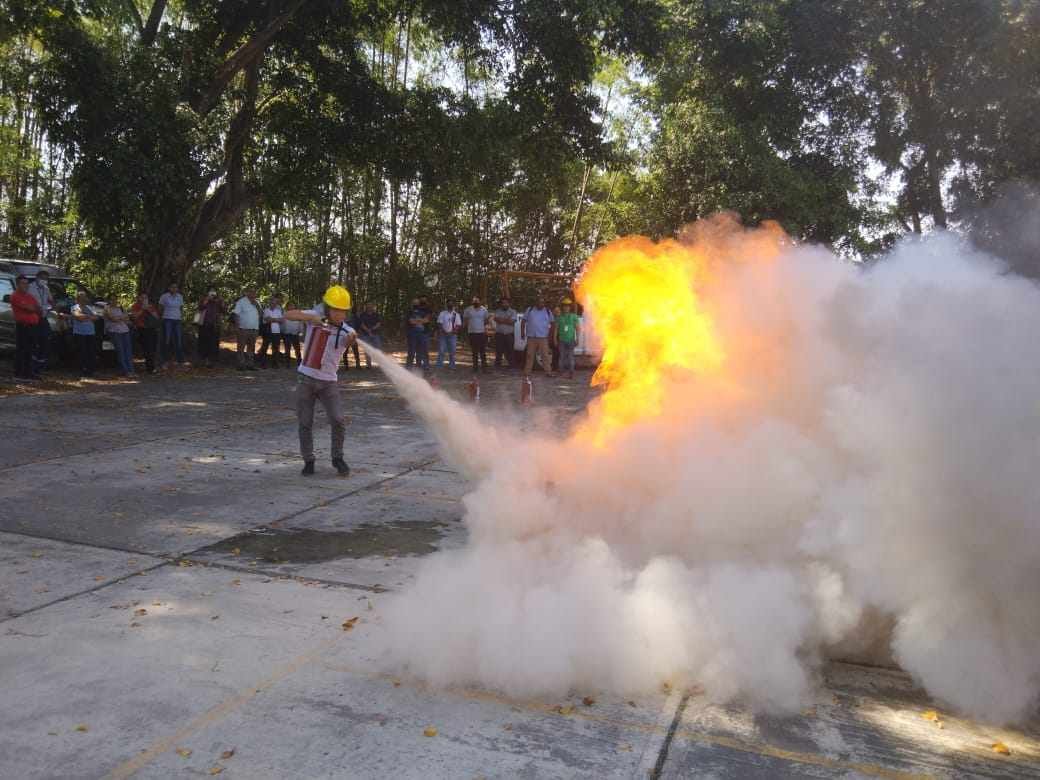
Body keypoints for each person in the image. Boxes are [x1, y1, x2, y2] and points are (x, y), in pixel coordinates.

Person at [285, 285, 357, 477]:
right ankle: (308, 461)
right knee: (305, 422)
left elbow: (347, 343)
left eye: (343, 310)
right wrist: (311, 318)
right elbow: (288, 315)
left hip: (328, 382)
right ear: (327, 308)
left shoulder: (347, 331)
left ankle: (337, 458)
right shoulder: (315, 318)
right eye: (335, 309)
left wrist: (351, 340)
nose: (339, 314)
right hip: (305, 379)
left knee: (338, 420)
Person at [11, 274, 42, 381]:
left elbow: (38, 308)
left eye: (26, 283)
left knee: (31, 350)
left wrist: (34, 308)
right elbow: (29, 308)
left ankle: (29, 372)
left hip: (33, 326)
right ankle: (18, 373)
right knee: (21, 350)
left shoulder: (30, 296)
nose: (25, 285)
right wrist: (33, 308)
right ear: (18, 284)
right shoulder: (15, 295)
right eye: (23, 283)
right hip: (22, 326)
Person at [522, 293, 555, 378]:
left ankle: (548, 372)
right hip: (531, 337)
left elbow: (553, 323)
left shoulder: (547, 311)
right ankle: (527, 372)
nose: (541, 304)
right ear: (536, 303)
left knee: (545, 355)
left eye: (542, 302)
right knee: (529, 355)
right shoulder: (530, 310)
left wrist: (550, 335)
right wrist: (522, 332)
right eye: (539, 302)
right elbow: (523, 321)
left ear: (544, 303)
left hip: (543, 337)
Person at [28, 269, 53, 374]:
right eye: (43, 278)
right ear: (37, 278)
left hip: (43, 317)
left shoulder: (46, 288)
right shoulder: (30, 288)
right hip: (33, 318)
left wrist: (52, 306)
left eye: (46, 279)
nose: (44, 280)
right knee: (34, 342)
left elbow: (50, 300)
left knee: (46, 341)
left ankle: (40, 367)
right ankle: (32, 367)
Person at [71, 290, 100, 378]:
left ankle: (91, 370)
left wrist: (85, 316)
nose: (84, 299)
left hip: (90, 332)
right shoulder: (74, 307)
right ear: (78, 299)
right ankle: (81, 370)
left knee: (91, 351)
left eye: (85, 297)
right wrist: (89, 317)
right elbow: (78, 317)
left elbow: (96, 317)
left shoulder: (90, 307)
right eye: (81, 297)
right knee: (81, 351)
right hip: (79, 332)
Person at [103, 296, 135, 377]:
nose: (114, 301)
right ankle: (126, 371)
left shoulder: (120, 308)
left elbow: (127, 319)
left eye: (115, 299)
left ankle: (131, 370)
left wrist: (121, 317)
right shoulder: (107, 308)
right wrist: (122, 317)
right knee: (120, 351)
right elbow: (113, 319)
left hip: (125, 330)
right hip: (114, 331)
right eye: (112, 299)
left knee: (128, 351)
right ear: (108, 300)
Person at [130, 293, 161, 373]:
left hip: (152, 329)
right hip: (142, 329)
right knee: (147, 349)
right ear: (138, 298)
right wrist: (142, 309)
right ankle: (150, 368)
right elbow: (134, 317)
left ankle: (152, 366)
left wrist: (149, 310)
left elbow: (157, 317)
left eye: (145, 297)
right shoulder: (135, 306)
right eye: (142, 297)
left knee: (153, 349)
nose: (144, 299)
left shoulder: (151, 306)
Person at [232, 288, 261, 370]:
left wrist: (257, 305)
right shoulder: (241, 302)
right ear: (247, 293)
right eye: (252, 292)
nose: (254, 293)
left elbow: (261, 314)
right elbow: (236, 314)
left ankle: (250, 364)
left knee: (251, 347)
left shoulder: (257, 302)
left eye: (255, 292)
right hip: (243, 328)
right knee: (241, 347)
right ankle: (240, 365)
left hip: (254, 329)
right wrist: (237, 327)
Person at [157, 283, 185, 367]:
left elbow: (181, 308)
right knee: (166, 340)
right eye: (172, 287)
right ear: (169, 288)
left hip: (177, 320)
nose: (174, 288)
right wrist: (162, 317)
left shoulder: (180, 296)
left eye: (176, 287)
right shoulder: (164, 296)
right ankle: (164, 360)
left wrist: (180, 317)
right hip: (167, 319)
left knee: (178, 340)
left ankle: (179, 360)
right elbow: (160, 308)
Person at [196, 289, 224, 368]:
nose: (212, 295)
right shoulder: (203, 299)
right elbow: (200, 308)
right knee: (203, 343)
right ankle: (202, 360)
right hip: (204, 325)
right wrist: (206, 300)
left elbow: (224, 310)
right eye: (211, 293)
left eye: (214, 293)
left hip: (215, 325)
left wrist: (221, 302)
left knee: (214, 343)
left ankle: (211, 361)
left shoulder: (218, 300)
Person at [555, 298, 582, 379]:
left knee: (570, 357)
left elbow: (577, 328)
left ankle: (571, 373)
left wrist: (577, 339)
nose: (566, 307)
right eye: (565, 306)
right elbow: (556, 329)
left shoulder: (574, 316)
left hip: (571, 340)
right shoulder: (559, 317)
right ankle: (561, 372)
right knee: (561, 357)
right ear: (562, 307)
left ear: (570, 307)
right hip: (561, 340)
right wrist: (555, 339)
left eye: (568, 306)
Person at [463, 296, 490, 373]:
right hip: (472, 333)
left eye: (477, 301)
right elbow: (465, 320)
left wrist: (485, 329)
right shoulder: (468, 309)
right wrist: (464, 331)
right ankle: (475, 368)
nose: (475, 302)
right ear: (472, 301)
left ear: (480, 301)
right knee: (474, 351)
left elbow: (486, 321)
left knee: (482, 351)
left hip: (481, 333)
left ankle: (484, 368)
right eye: (474, 301)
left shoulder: (484, 310)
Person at [259, 294, 286, 368]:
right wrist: (277, 320)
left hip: (276, 332)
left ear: (276, 303)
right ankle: (263, 363)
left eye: (275, 303)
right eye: (272, 302)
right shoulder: (266, 310)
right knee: (265, 347)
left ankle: (275, 364)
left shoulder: (278, 311)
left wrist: (273, 319)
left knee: (276, 348)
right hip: (268, 331)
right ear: (269, 303)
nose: (273, 304)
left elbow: (282, 321)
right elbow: (267, 319)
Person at [406, 296, 431, 370]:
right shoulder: (409, 311)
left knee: (420, 351)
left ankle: (418, 366)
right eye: (414, 303)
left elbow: (426, 320)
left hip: (421, 334)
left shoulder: (422, 311)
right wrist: (420, 320)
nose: (416, 304)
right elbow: (411, 321)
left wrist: (416, 320)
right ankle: (409, 366)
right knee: (411, 351)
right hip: (412, 334)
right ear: (412, 303)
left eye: (417, 303)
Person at [492, 297, 517, 368]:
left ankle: (512, 365)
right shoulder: (497, 311)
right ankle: (497, 365)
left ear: (509, 303)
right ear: (501, 304)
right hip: (499, 334)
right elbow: (496, 319)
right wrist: (507, 320)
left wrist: (502, 320)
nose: (504, 304)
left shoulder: (513, 311)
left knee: (510, 350)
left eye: (506, 303)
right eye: (503, 303)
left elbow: (512, 321)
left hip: (509, 334)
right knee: (498, 350)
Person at [436, 301, 461, 368]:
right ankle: (439, 365)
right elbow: (439, 324)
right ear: (446, 305)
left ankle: (452, 365)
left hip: (453, 335)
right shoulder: (442, 313)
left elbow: (458, 325)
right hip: (443, 335)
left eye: (451, 304)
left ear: (453, 305)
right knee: (441, 350)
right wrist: (444, 331)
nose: (450, 305)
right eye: (449, 304)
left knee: (452, 351)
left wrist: (453, 331)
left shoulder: (456, 314)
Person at [356, 302, 382, 366]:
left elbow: (379, 323)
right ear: (366, 307)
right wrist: (368, 331)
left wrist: (372, 329)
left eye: (371, 305)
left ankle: (380, 363)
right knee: (367, 349)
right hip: (365, 334)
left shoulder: (376, 314)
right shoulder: (362, 315)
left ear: (373, 306)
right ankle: (368, 364)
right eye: (368, 305)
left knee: (378, 348)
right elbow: (361, 324)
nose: (369, 307)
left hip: (375, 334)